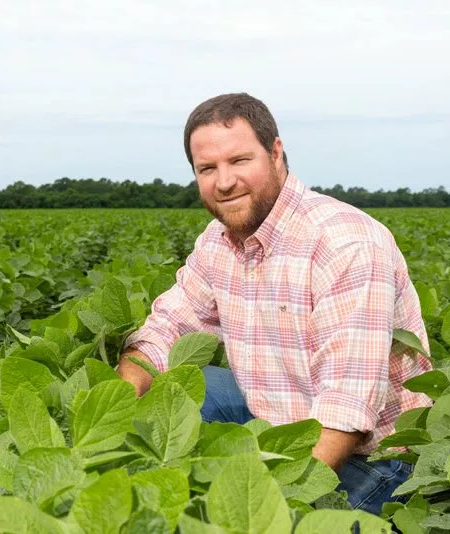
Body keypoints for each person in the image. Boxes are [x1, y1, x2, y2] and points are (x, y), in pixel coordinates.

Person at [117, 92, 433, 515]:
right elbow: (168, 329)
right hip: (279, 420)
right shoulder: (217, 242)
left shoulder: (346, 242)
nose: (224, 182)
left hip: (375, 457)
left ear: (276, 153)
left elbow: (347, 412)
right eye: (207, 168)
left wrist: (266, 504)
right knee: (177, 391)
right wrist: (113, 412)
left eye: (239, 161)